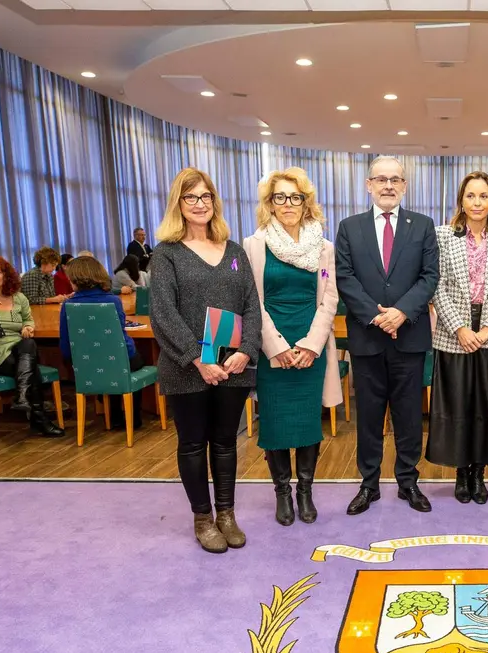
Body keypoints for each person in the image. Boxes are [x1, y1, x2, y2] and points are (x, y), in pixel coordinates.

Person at [150, 168, 262, 554]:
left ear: (214, 202)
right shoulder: (166, 254)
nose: (200, 204)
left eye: (205, 197)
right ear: (178, 204)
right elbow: (163, 313)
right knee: (193, 443)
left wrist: (246, 349)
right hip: (188, 367)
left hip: (232, 365)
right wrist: (198, 358)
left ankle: (227, 514)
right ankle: (203, 518)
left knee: (227, 441)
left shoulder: (233, 252)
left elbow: (251, 304)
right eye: (191, 198)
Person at [335, 156, 439, 515]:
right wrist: (377, 318)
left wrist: (401, 313)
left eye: (396, 179)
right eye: (381, 179)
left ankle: (408, 481)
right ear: (369, 185)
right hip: (367, 337)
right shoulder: (349, 227)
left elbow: (429, 277)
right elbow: (344, 277)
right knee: (368, 414)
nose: (388, 185)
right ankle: (369, 484)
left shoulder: (423, 226)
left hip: (409, 336)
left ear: (405, 186)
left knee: (409, 414)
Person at [243, 167, 341, 526]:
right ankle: (282, 492)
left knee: (306, 423)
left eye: (295, 197)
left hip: (311, 346)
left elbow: (329, 297)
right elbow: (251, 301)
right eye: (280, 197)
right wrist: (277, 347)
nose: (288, 204)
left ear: (306, 203)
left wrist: (311, 345)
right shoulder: (253, 246)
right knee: (275, 423)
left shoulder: (324, 248)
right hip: (273, 348)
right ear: (269, 204)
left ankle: (305, 490)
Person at [426, 171, 488, 504]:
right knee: (457, 406)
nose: (477, 202)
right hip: (454, 334)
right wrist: (461, 329)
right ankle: (460, 474)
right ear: (461, 201)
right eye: (470, 196)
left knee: (487, 406)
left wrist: (486, 329)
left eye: (483, 196)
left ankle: (479, 474)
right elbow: (435, 286)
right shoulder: (442, 236)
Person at [60, 256, 145, 429]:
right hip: (120, 359)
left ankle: (112, 413)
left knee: (109, 365)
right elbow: (119, 336)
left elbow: (65, 344)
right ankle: (134, 417)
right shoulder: (113, 301)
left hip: (86, 363)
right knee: (130, 361)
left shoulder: (68, 305)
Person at [0, 255, 64, 437]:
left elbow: (28, 319)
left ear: (5, 275)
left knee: (28, 345)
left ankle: (23, 397)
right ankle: (38, 418)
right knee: (31, 367)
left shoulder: (19, 298)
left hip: (19, 349)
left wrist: (29, 327)